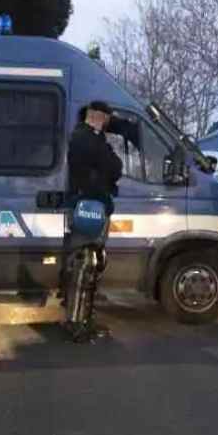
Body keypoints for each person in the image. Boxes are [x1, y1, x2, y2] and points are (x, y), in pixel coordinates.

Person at [63, 100, 126, 342]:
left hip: (92, 204)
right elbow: (114, 166)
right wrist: (109, 160)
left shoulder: (87, 137)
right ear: (99, 116)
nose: (110, 124)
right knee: (85, 263)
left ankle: (82, 319)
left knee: (90, 263)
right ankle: (77, 323)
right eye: (108, 118)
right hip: (90, 205)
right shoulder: (87, 139)